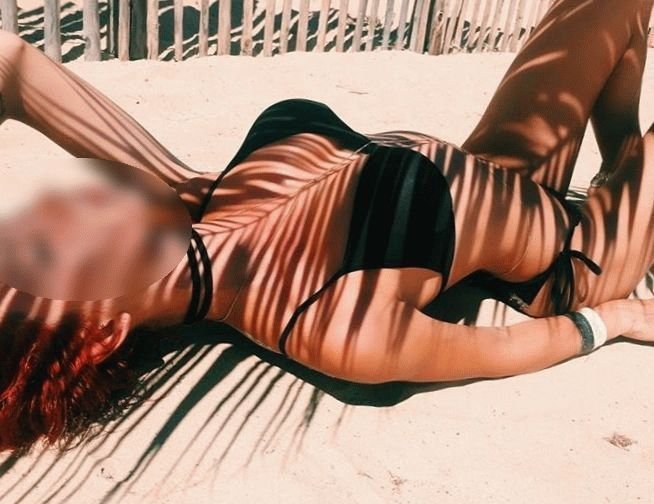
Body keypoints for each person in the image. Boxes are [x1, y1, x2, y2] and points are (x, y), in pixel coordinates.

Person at [1, 0, 654, 452]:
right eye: (48, 251)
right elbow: (505, 347)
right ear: (105, 333)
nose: (47, 209)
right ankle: (626, 187)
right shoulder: (323, 321)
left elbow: (10, 64)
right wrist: (612, 320)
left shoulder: (191, 194)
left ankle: (620, 154)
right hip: (573, 257)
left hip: (502, 172)